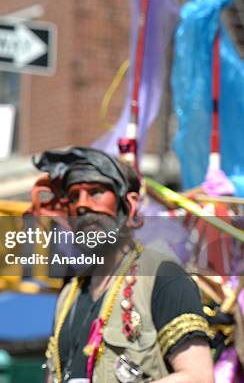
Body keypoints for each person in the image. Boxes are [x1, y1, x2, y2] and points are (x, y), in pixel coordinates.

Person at [39, 147, 213, 383]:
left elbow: (199, 377)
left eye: (96, 192)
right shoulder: (70, 292)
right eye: (72, 196)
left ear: (129, 205)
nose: (82, 205)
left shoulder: (162, 275)